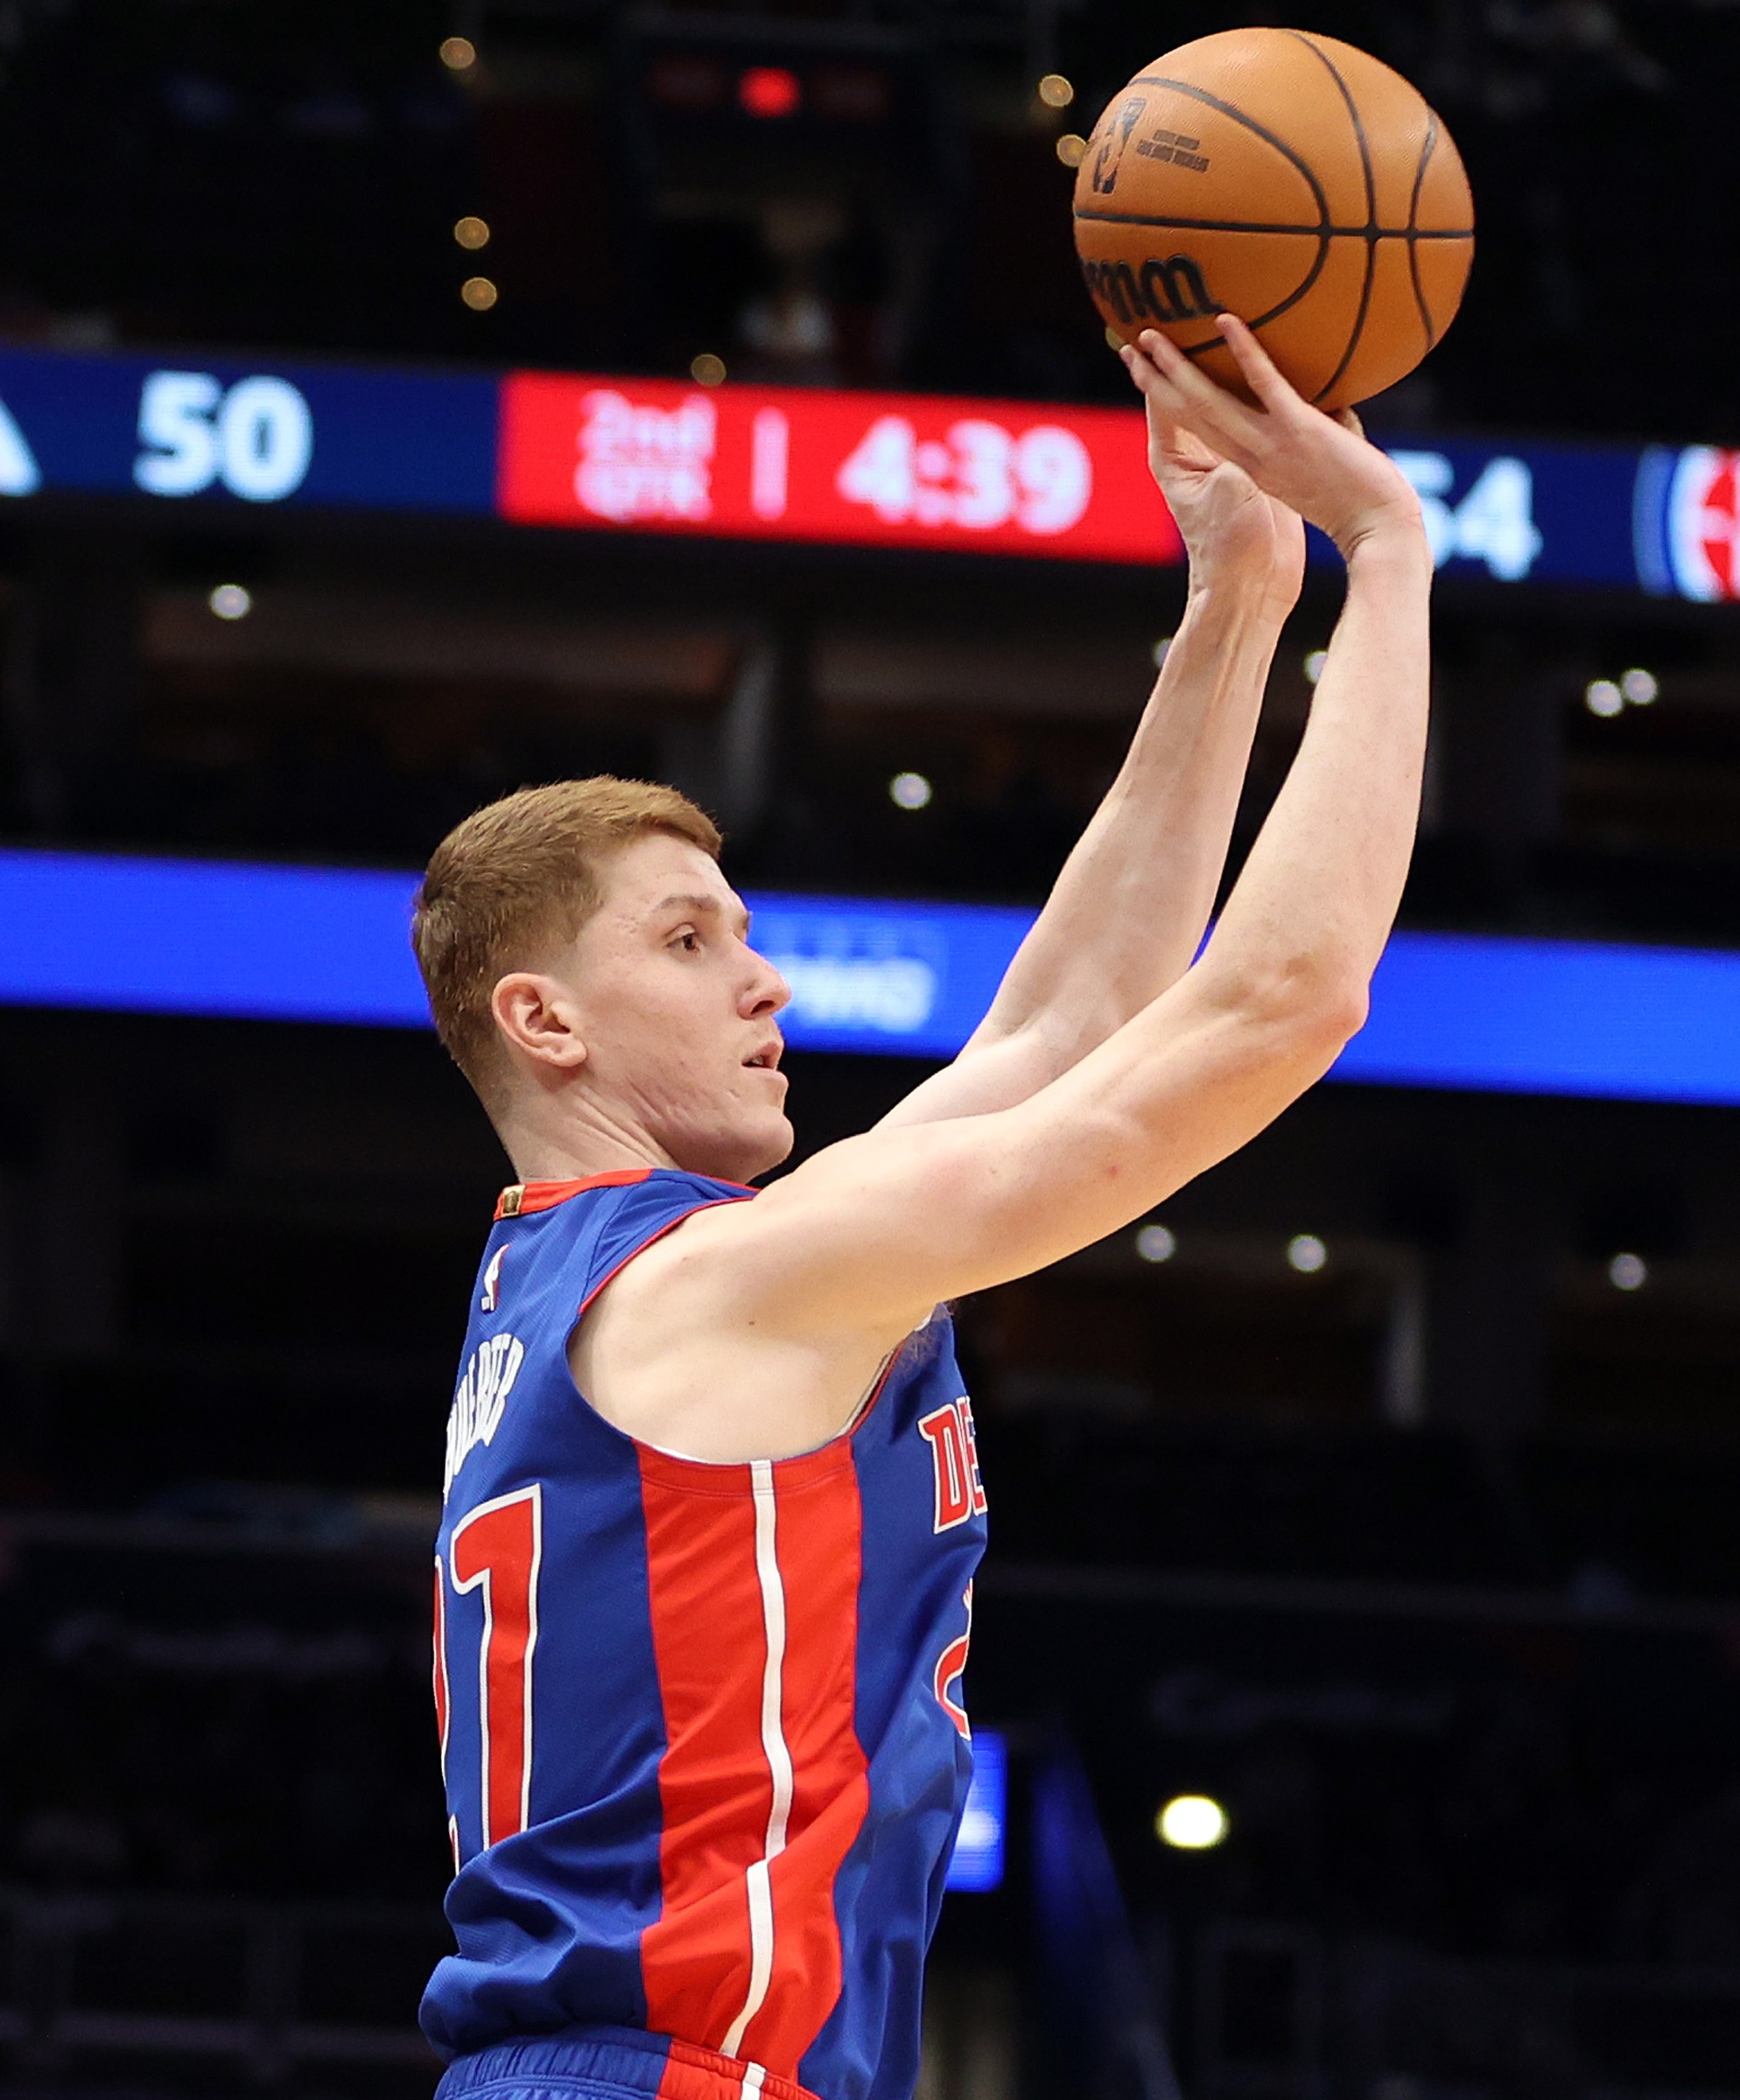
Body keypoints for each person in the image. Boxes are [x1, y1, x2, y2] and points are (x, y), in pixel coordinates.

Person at [409, 315, 1434, 2100]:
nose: (768, 982)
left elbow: (1064, 1029)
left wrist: (1242, 597)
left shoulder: (621, 1279)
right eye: (688, 941)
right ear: (544, 1020)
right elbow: (1283, 1001)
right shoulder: (722, 1282)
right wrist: (1394, 559)